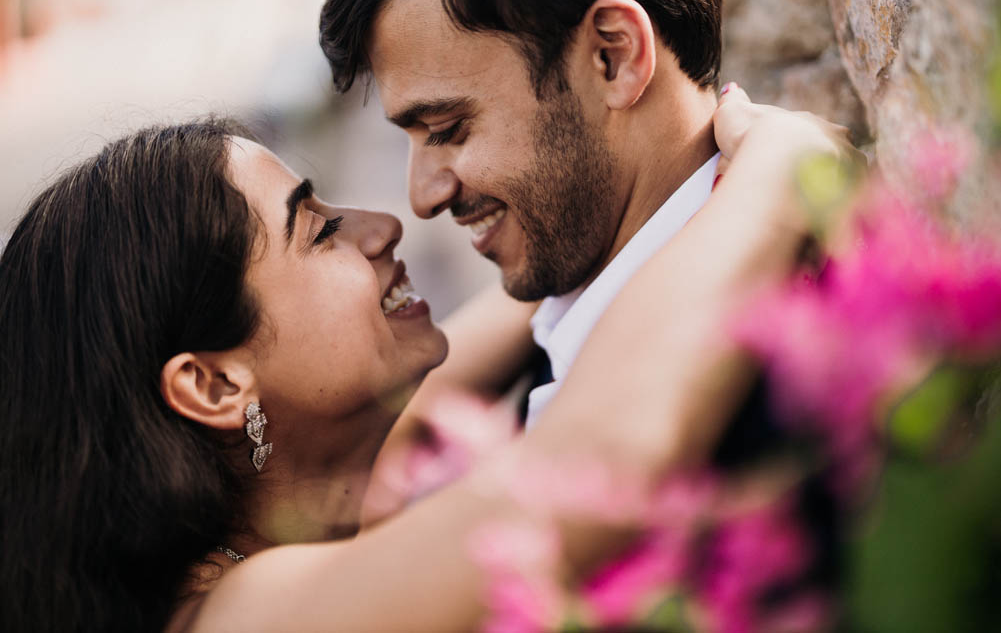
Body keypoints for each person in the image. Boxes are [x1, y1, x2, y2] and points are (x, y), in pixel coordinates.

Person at [0, 90, 847, 632]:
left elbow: (487, 336)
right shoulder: (242, 619)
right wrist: (779, 169)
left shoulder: (333, 524)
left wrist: (614, 187)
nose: (383, 226)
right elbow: (594, 469)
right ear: (215, 382)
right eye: (319, 229)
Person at [320, 0, 731, 427]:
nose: (422, 199)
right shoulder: (562, 335)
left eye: (446, 130)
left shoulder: (796, 363)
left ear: (613, 57)